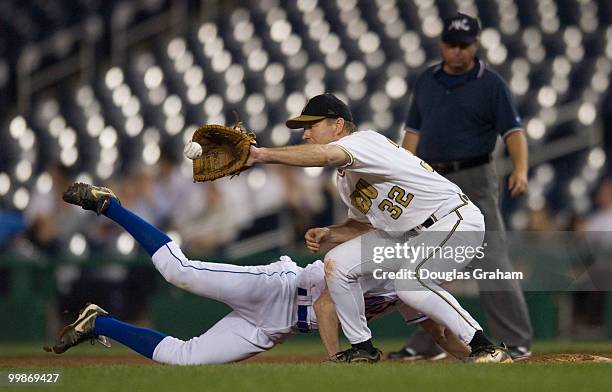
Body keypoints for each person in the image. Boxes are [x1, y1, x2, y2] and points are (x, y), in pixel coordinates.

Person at [186, 93, 512, 363]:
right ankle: (362, 347)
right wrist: (330, 233)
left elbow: (327, 155)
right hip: (409, 235)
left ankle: (484, 345)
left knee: (409, 284)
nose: (305, 133)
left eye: (311, 126)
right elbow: (362, 225)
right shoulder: (346, 180)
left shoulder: (364, 142)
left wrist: (260, 155)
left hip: (453, 219)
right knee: (338, 263)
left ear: (338, 124)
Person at [48, 182, 472, 364]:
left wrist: (479, 356)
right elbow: (326, 306)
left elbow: (438, 332)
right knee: (182, 273)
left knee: (186, 358)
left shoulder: (411, 286)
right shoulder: (384, 260)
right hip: (279, 290)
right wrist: (336, 358)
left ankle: (100, 323)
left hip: (276, 326)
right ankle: (111, 206)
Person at [392, 13, 532, 361]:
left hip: (475, 176)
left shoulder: (491, 83)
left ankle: (515, 340)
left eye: (463, 45)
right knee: (426, 259)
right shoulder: (427, 80)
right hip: (431, 179)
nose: (457, 51)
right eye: (451, 44)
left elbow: (513, 132)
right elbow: (413, 132)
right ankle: (431, 342)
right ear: (442, 44)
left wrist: (522, 168)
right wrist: (403, 170)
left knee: (491, 258)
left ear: (475, 45)